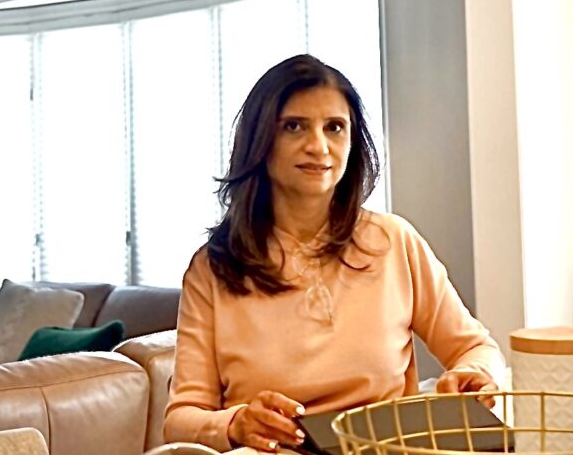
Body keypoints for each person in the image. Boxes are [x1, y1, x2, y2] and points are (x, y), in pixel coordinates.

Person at [163, 55, 504, 453]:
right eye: (294, 126)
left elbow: (476, 348)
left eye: (335, 127)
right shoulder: (212, 268)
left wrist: (474, 374)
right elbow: (180, 419)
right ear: (260, 140)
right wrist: (236, 424)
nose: (318, 146)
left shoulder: (395, 241)